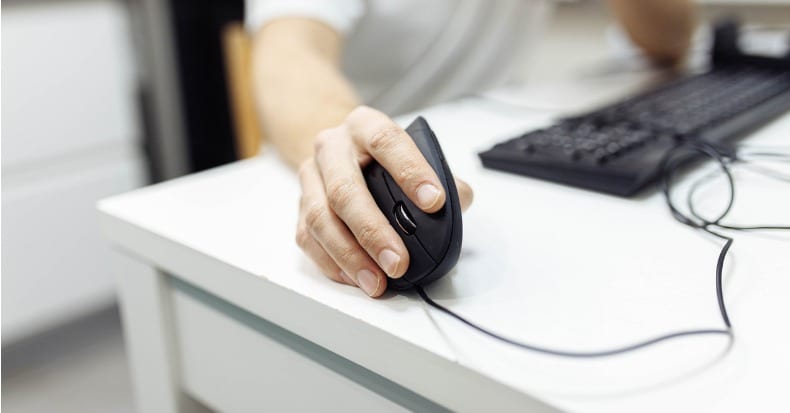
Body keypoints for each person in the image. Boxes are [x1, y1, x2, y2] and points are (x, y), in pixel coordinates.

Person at [246, 0, 696, 297]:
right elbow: (289, 54)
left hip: (493, 162)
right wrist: (343, 140)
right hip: (360, 157)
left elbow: (670, 38)